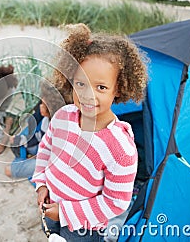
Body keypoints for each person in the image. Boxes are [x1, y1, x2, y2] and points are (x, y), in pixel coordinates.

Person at [32, 23, 148, 241]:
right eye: (80, 84)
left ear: (119, 89)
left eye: (101, 87)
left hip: (85, 229)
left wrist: (65, 214)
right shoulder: (63, 116)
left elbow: (115, 202)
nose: (88, 95)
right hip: (50, 207)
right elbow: (46, 149)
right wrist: (41, 184)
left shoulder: (120, 148)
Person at [4, 81, 65, 179]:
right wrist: (23, 140)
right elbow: (33, 125)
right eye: (41, 102)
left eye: (43, 105)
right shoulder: (45, 119)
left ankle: (27, 162)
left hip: (48, 157)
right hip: (39, 141)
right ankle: (25, 157)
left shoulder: (57, 131)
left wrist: (23, 141)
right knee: (20, 141)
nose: (40, 106)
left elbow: (48, 153)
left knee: (8, 170)